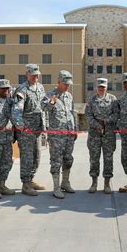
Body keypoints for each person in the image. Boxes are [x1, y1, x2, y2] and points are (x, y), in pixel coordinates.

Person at [11, 63, 47, 196]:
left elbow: (42, 105)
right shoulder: (22, 90)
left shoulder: (40, 88)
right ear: (27, 74)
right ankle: (25, 184)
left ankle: (30, 180)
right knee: (27, 157)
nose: (35, 77)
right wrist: (21, 126)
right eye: (33, 75)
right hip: (26, 131)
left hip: (37, 129)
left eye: (37, 75)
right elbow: (16, 110)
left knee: (36, 156)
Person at [41, 70, 78, 199]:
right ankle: (56, 187)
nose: (67, 86)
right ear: (58, 82)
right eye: (65, 84)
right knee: (56, 161)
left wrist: (75, 130)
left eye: (68, 84)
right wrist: (51, 103)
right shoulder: (51, 95)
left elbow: (73, 113)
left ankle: (65, 183)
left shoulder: (69, 96)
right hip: (56, 136)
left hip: (69, 134)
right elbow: (43, 107)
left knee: (68, 159)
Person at [85, 78, 118, 194]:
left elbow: (116, 114)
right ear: (96, 87)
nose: (101, 88)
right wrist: (96, 124)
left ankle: (107, 183)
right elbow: (88, 116)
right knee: (94, 159)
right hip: (94, 134)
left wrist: (106, 121)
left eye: (103, 86)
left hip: (108, 134)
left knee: (108, 159)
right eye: (99, 86)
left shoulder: (113, 99)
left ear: (106, 87)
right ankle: (94, 183)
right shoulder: (91, 100)